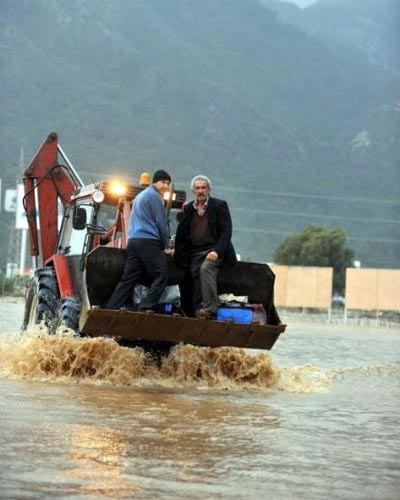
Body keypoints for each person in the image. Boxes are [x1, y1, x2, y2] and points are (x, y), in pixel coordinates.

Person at [107, 169, 172, 312]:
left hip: (134, 242)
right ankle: (145, 306)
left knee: (128, 278)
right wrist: (164, 245)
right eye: (163, 182)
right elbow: (161, 223)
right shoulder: (155, 197)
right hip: (148, 241)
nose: (166, 186)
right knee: (162, 274)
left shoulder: (140, 197)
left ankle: (110, 309)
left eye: (168, 183)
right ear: (155, 182)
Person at [174, 175, 237, 319]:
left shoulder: (219, 206)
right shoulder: (189, 208)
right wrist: (177, 250)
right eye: (197, 188)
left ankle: (210, 309)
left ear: (208, 190)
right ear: (193, 191)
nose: (200, 191)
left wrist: (217, 251)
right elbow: (183, 233)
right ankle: (196, 312)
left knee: (206, 268)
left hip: (214, 250)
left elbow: (226, 232)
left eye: (203, 187)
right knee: (193, 275)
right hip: (196, 251)